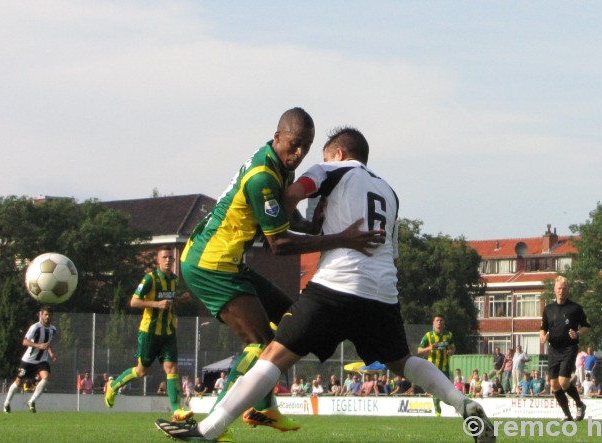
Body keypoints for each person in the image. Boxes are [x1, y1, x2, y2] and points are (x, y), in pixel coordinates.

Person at [156, 127, 495, 443]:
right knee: (401, 360)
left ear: (338, 152)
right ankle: (463, 404)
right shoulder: (389, 193)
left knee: (272, 355)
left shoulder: (330, 170)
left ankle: (209, 429)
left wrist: (302, 219)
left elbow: (290, 197)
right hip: (382, 293)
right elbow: (392, 256)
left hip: (335, 288)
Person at [176, 108, 384, 433]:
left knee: (292, 316)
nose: (299, 154)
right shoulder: (263, 177)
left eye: (306, 147)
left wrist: (313, 226)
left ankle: (263, 409)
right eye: (295, 144)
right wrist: (339, 239)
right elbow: (280, 244)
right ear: (278, 137)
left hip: (229, 262)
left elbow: (285, 220)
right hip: (210, 265)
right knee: (262, 343)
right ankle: (215, 424)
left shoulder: (277, 165)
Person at [105, 246, 193, 422]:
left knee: (172, 368)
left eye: (171, 258)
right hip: (149, 332)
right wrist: (156, 305)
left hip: (167, 331)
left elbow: (168, 300)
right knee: (141, 371)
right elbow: (134, 301)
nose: (168, 260)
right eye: (165, 257)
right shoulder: (150, 279)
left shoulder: (174, 280)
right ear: (158, 260)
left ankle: (177, 410)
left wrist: (179, 299)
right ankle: (113, 386)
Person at [540, 276, 590, 421]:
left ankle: (580, 404)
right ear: (554, 290)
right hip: (554, 350)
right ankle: (567, 415)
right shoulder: (549, 309)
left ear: (568, 290)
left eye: (564, 288)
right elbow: (542, 328)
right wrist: (543, 337)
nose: (561, 291)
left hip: (569, 348)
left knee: (563, 382)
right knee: (554, 385)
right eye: (559, 288)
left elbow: (587, 326)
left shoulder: (575, 308)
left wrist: (578, 333)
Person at [3, 306, 57, 413]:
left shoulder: (53, 329)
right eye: (45, 314)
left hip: (42, 360)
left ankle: (31, 401)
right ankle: (6, 403)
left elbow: (47, 343)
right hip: (28, 360)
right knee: (18, 382)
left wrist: (51, 353)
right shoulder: (35, 327)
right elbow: (25, 342)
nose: (47, 317)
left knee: (46, 377)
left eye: (49, 315)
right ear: (41, 315)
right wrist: (38, 345)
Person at [417, 314, 455, 416]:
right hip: (432, 367)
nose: (439, 322)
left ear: (444, 322)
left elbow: (453, 348)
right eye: (437, 320)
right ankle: (437, 408)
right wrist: (429, 348)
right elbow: (419, 350)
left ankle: (438, 400)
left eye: (441, 320)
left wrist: (450, 352)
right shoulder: (428, 336)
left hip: (445, 367)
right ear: (433, 323)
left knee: (445, 389)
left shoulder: (449, 335)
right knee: (435, 388)